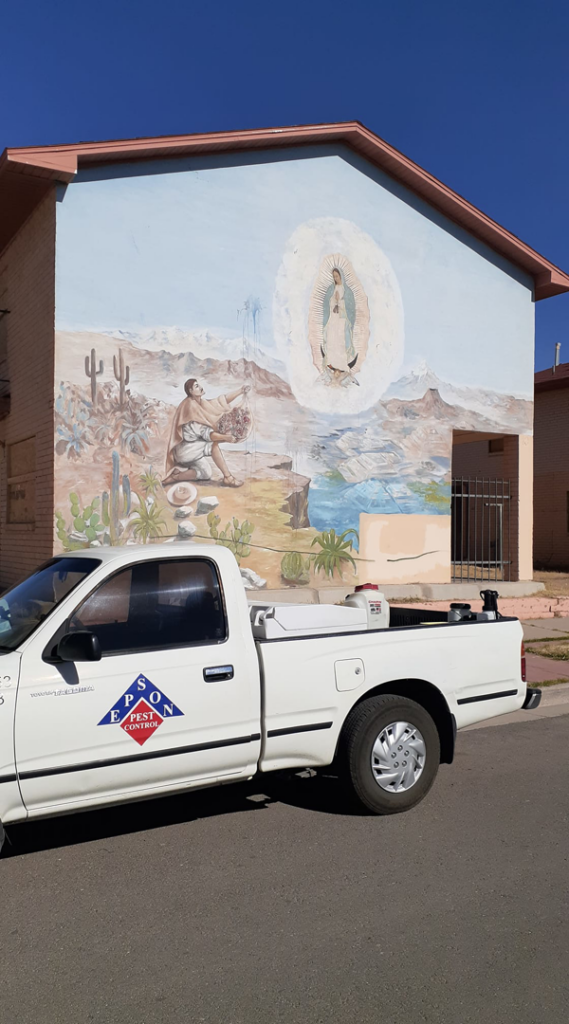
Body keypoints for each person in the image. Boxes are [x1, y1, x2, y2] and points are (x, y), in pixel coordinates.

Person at [163, 378, 250, 488]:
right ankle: (228, 478)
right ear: (190, 391)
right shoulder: (190, 408)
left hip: (194, 447)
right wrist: (226, 437)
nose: (200, 387)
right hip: (185, 450)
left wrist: (241, 390)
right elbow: (208, 435)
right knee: (213, 445)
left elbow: (221, 401)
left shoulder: (201, 403)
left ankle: (176, 476)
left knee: (205, 473)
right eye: (196, 386)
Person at [321, 267, 357, 374]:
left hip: (341, 318)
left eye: (337, 276)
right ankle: (332, 363)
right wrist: (333, 301)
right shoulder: (333, 288)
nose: (335, 278)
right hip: (333, 317)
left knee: (340, 340)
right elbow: (330, 303)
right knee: (332, 339)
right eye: (334, 277)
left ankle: (341, 364)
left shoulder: (346, 290)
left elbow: (348, 306)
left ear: (341, 276)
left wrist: (339, 302)